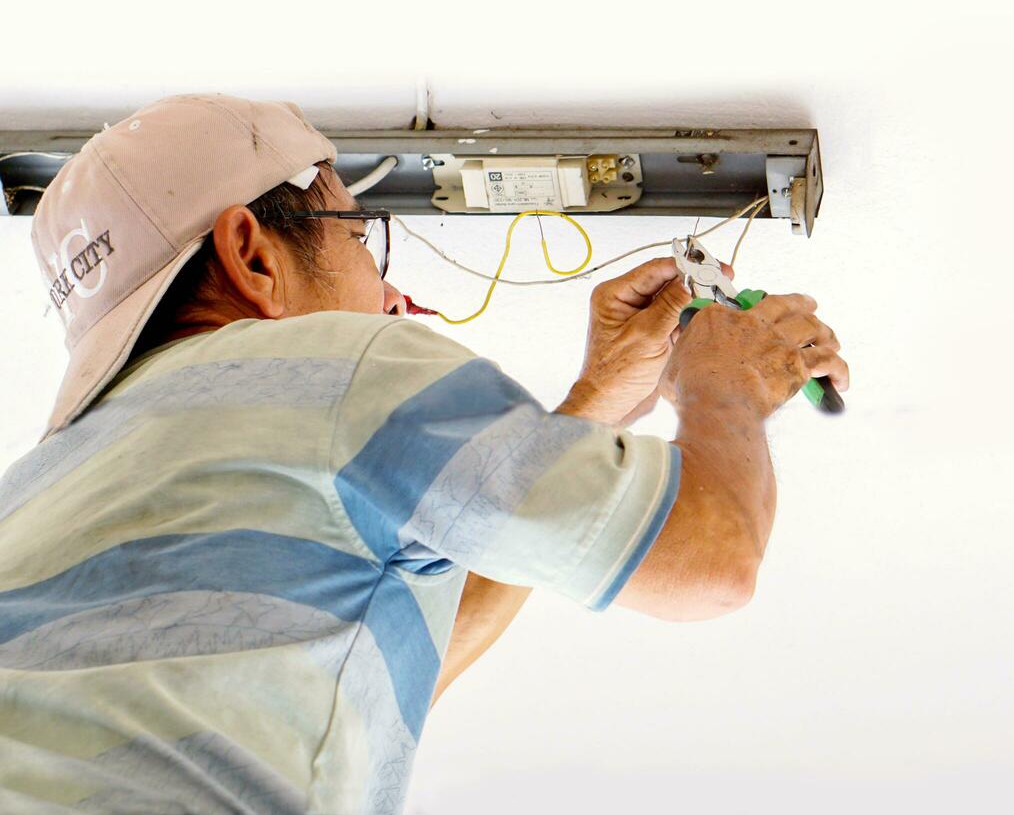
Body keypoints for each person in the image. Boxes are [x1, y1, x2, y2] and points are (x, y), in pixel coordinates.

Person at [0, 94, 848, 813]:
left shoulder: (30, 496)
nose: (385, 290)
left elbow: (371, 672)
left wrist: (594, 405)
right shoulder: (337, 372)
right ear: (253, 256)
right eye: (360, 234)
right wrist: (727, 382)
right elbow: (713, 557)